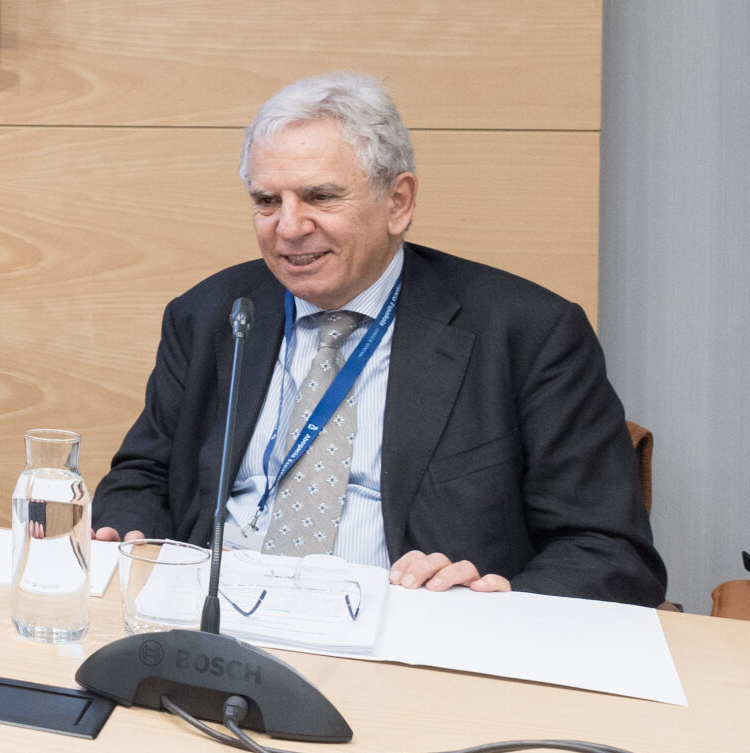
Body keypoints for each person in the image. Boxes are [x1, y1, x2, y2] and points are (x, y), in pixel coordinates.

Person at [92, 72, 663, 604]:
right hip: (219, 618)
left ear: (398, 202)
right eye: (267, 201)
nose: (288, 227)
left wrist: (496, 606)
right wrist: (136, 540)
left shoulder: (529, 333)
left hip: (412, 637)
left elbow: (610, 553)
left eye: (319, 197)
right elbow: (141, 476)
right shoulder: (212, 314)